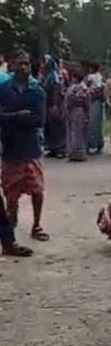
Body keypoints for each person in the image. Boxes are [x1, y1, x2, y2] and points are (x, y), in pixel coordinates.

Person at [0, 51, 49, 241]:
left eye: (26, 64)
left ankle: (36, 225)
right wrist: (17, 116)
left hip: (31, 148)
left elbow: (39, 120)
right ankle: (11, 223)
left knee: (37, 189)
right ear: (12, 65)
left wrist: (12, 118)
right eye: (20, 64)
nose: (23, 67)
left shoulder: (37, 91)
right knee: (11, 193)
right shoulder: (3, 89)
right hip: (11, 148)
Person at [64, 67, 90, 162]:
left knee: (76, 131)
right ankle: (77, 152)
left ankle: (77, 153)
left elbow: (83, 100)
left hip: (76, 110)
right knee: (78, 131)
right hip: (79, 110)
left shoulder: (76, 88)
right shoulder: (83, 87)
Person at [42, 55, 66, 159]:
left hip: (54, 104)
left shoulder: (54, 75)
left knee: (56, 127)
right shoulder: (47, 75)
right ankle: (52, 148)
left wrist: (55, 105)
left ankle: (60, 149)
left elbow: (56, 89)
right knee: (50, 127)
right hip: (48, 103)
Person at [85, 62, 105, 154]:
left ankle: (90, 144)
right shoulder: (100, 76)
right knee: (98, 123)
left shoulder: (90, 77)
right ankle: (99, 144)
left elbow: (86, 87)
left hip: (92, 101)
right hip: (98, 102)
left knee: (91, 123)